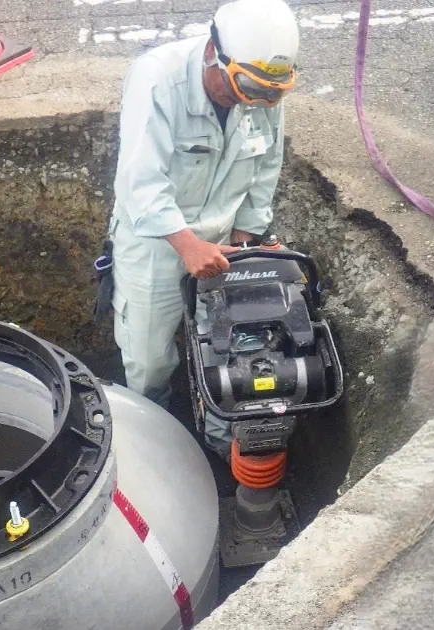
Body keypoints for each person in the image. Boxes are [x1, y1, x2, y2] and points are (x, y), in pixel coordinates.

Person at [102, 0, 300, 457]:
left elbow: (266, 162)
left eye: (265, 94)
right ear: (214, 51)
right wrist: (186, 243)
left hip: (225, 243)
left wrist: (249, 237)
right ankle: (155, 442)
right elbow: (139, 179)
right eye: (241, 87)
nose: (249, 100)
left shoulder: (261, 89)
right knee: (150, 360)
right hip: (155, 243)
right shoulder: (157, 78)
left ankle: (219, 445)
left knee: (229, 348)